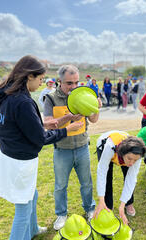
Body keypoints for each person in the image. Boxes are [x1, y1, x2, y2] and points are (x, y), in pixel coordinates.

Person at [0, 55, 83, 240]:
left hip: (8, 155)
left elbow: (22, 125)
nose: (41, 83)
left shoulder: (6, 93)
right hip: (20, 161)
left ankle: (33, 228)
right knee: (23, 209)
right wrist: (66, 130)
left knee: (33, 195)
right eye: (40, 79)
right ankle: (24, 232)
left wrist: (60, 121)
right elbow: (39, 138)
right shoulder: (22, 101)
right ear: (29, 76)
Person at [43, 65, 99, 230]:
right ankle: (61, 214)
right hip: (62, 150)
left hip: (82, 147)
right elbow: (47, 124)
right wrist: (67, 118)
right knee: (60, 185)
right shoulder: (51, 98)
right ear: (59, 81)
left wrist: (97, 107)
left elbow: (94, 119)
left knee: (86, 183)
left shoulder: (84, 94)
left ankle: (89, 209)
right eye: (69, 83)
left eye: (76, 82)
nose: (74, 87)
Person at [94, 131, 146, 225]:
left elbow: (131, 179)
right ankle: (107, 206)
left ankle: (128, 203)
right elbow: (102, 172)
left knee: (128, 175)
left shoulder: (137, 154)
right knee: (107, 178)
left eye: (135, 160)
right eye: (129, 159)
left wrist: (122, 205)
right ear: (122, 154)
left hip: (125, 149)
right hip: (105, 146)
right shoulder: (110, 146)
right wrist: (101, 199)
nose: (131, 163)